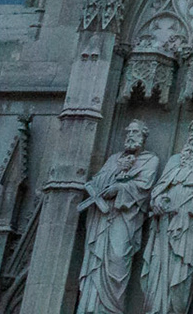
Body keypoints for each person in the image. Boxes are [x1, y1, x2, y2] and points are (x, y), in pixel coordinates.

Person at [77, 120, 160, 314]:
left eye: (135, 133)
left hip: (126, 219)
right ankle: (90, 307)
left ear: (143, 137)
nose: (130, 136)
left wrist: (118, 189)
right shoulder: (114, 159)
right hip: (102, 219)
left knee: (118, 259)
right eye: (128, 132)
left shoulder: (150, 160)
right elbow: (96, 182)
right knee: (96, 264)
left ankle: (110, 310)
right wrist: (117, 170)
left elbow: (143, 187)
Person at [141, 119, 193, 314]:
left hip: (188, 224)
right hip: (164, 224)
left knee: (182, 270)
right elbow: (158, 188)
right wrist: (157, 201)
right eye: (191, 130)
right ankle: (155, 309)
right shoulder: (175, 160)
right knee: (157, 270)